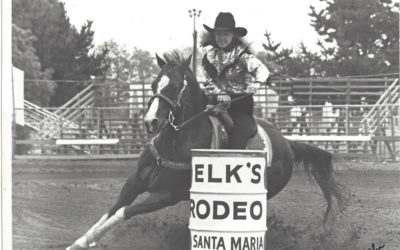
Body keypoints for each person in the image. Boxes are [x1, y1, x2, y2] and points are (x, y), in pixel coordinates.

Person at [201, 12, 270, 149]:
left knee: (236, 145)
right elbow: (209, 82)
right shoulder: (208, 57)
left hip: (240, 106)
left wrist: (256, 83)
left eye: (226, 34)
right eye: (219, 34)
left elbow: (262, 70)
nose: (222, 38)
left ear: (233, 35)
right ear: (214, 35)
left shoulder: (243, 55)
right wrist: (220, 93)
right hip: (215, 104)